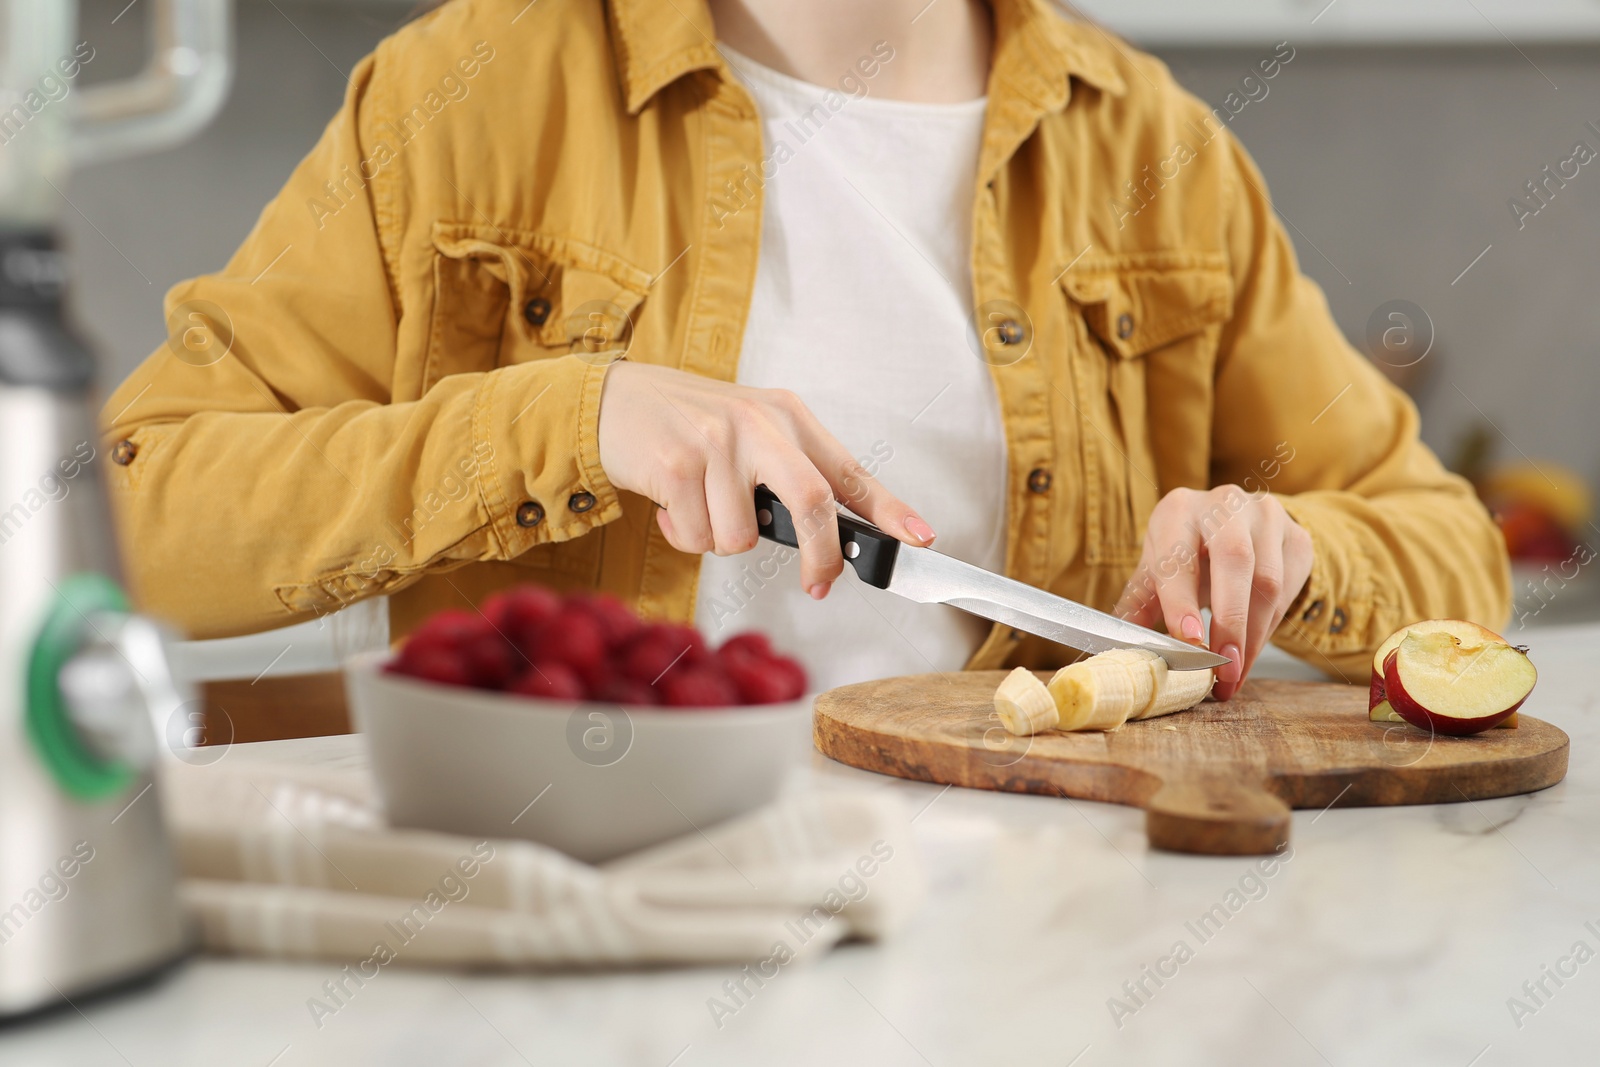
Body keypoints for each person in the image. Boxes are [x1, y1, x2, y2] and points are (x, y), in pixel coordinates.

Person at [101, 0, 1509, 699]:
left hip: (1050, 970)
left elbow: (1451, 558)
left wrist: (1288, 553)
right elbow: (128, 509)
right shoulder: (465, 94)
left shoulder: (1159, 151)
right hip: (603, 965)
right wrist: (570, 421)